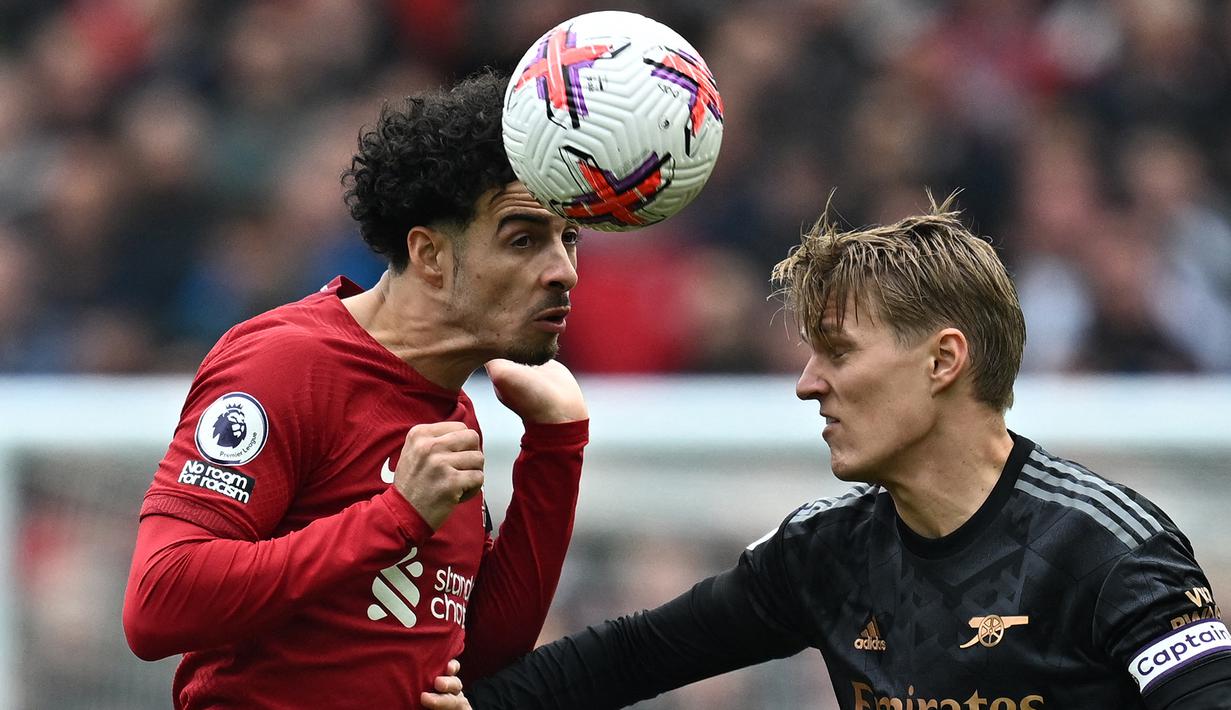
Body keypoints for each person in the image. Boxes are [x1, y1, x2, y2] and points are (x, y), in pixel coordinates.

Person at [424, 195, 1231, 709]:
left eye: (837, 353)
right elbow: (634, 654)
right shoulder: (826, 552)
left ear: (942, 361)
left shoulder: (1108, 550)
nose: (808, 385)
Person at [122, 69, 591, 709]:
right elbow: (159, 602)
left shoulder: (451, 413)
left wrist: (556, 451)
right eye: (524, 240)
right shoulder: (289, 362)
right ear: (429, 255)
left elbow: (478, 656)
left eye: (569, 239)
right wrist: (393, 517)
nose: (563, 272)